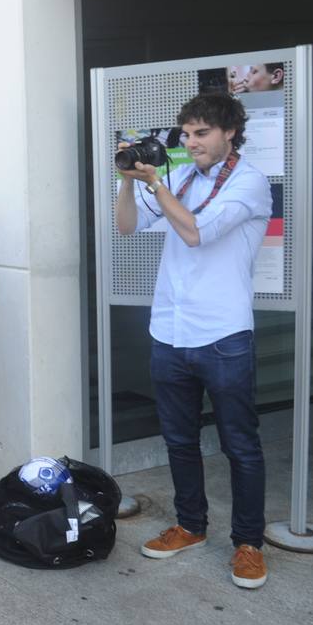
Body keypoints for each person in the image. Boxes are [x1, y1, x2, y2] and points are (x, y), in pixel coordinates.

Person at [115, 91, 272, 590]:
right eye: (186, 135)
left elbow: (197, 232)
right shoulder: (181, 178)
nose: (191, 143)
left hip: (223, 334)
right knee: (179, 441)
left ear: (230, 133)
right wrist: (127, 180)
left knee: (240, 445)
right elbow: (126, 226)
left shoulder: (249, 182)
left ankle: (249, 544)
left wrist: (156, 184)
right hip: (170, 330)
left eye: (202, 133)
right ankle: (190, 526)